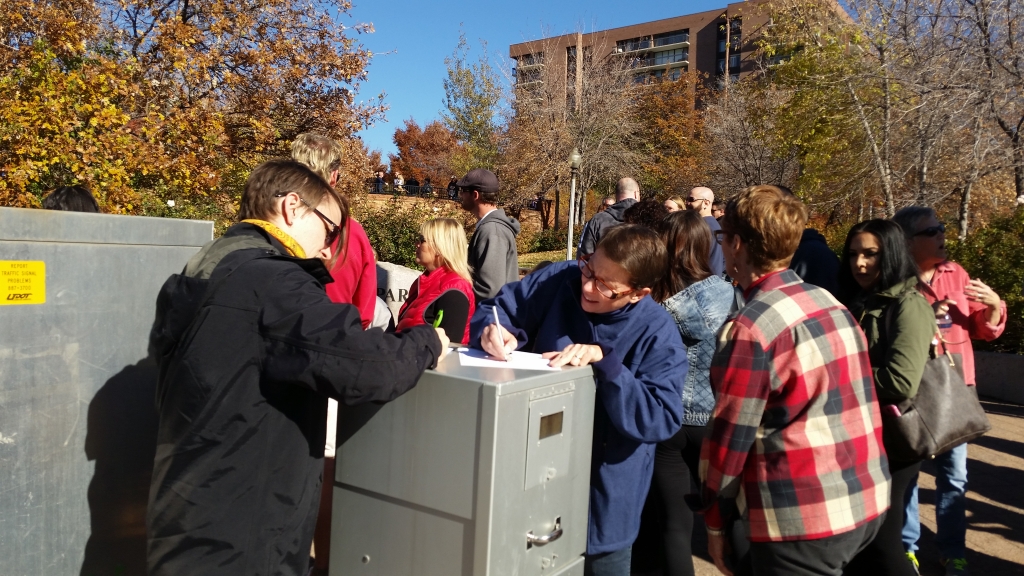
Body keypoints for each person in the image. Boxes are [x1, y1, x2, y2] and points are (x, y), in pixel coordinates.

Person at [146, 159, 449, 576]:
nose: (329, 249)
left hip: (186, 519)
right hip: (242, 540)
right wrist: (429, 341)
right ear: (292, 207)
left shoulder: (207, 267)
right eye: (329, 230)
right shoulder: (273, 283)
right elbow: (365, 367)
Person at [470, 224, 687, 576]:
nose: (588, 286)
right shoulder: (559, 279)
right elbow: (498, 309)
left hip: (604, 501)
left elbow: (660, 418)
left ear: (638, 293)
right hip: (531, 481)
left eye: (605, 286)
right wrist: (492, 330)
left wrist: (609, 364)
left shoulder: (658, 331)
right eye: (589, 268)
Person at [698, 185, 889, 576]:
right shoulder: (828, 302)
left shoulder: (750, 328)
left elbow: (729, 439)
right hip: (865, 495)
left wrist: (714, 521)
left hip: (804, 516)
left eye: (722, 237)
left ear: (735, 244)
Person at [893, 207, 1007, 576]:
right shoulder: (896, 277)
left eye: (942, 228)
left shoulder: (955, 273)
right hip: (911, 390)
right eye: (934, 230)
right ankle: (907, 548)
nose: (944, 235)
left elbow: (982, 329)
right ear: (909, 241)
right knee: (908, 475)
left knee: (954, 476)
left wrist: (992, 307)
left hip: (956, 389)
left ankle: (952, 551)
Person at [837, 219, 936, 576]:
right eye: (853, 254)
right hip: (863, 437)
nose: (859, 263)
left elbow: (901, 380)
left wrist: (838, 378)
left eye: (870, 254)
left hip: (894, 440)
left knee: (883, 544)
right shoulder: (861, 299)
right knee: (861, 545)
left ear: (891, 255)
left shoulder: (910, 304)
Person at [650, 211, 734, 576]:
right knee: (731, 519)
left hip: (666, 419)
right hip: (712, 418)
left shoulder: (651, 299)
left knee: (673, 525)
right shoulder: (728, 292)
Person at [396, 218, 475, 344]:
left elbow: (449, 346)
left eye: (422, 240)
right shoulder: (424, 281)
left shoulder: (454, 290)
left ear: (439, 247)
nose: (417, 244)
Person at [457, 168, 521, 303]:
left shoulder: (492, 231)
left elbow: (490, 289)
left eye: (463, 191)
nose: (460, 195)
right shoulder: (490, 228)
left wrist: (456, 294)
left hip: (489, 319)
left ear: (475, 195)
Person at [577, 177, 640, 256]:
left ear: (616, 195)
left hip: (600, 267)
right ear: (635, 194)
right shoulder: (647, 219)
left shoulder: (597, 220)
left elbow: (584, 257)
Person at [683, 187, 726, 277]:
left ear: (706, 203)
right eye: (686, 199)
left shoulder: (705, 227)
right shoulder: (711, 224)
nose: (686, 203)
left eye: (691, 200)